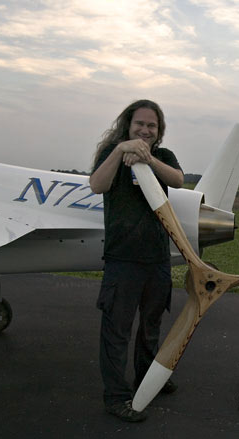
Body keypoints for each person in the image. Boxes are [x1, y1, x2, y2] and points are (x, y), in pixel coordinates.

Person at [89, 99, 184, 422]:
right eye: (139, 124)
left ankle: (147, 379)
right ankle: (116, 396)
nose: (145, 130)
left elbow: (178, 180)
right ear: (128, 125)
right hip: (122, 258)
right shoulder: (111, 154)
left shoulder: (164, 156)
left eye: (151, 126)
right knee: (117, 330)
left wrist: (146, 157)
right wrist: (120, 152)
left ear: (158, 132)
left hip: (157, 257)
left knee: (151, 325)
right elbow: (96, 185)